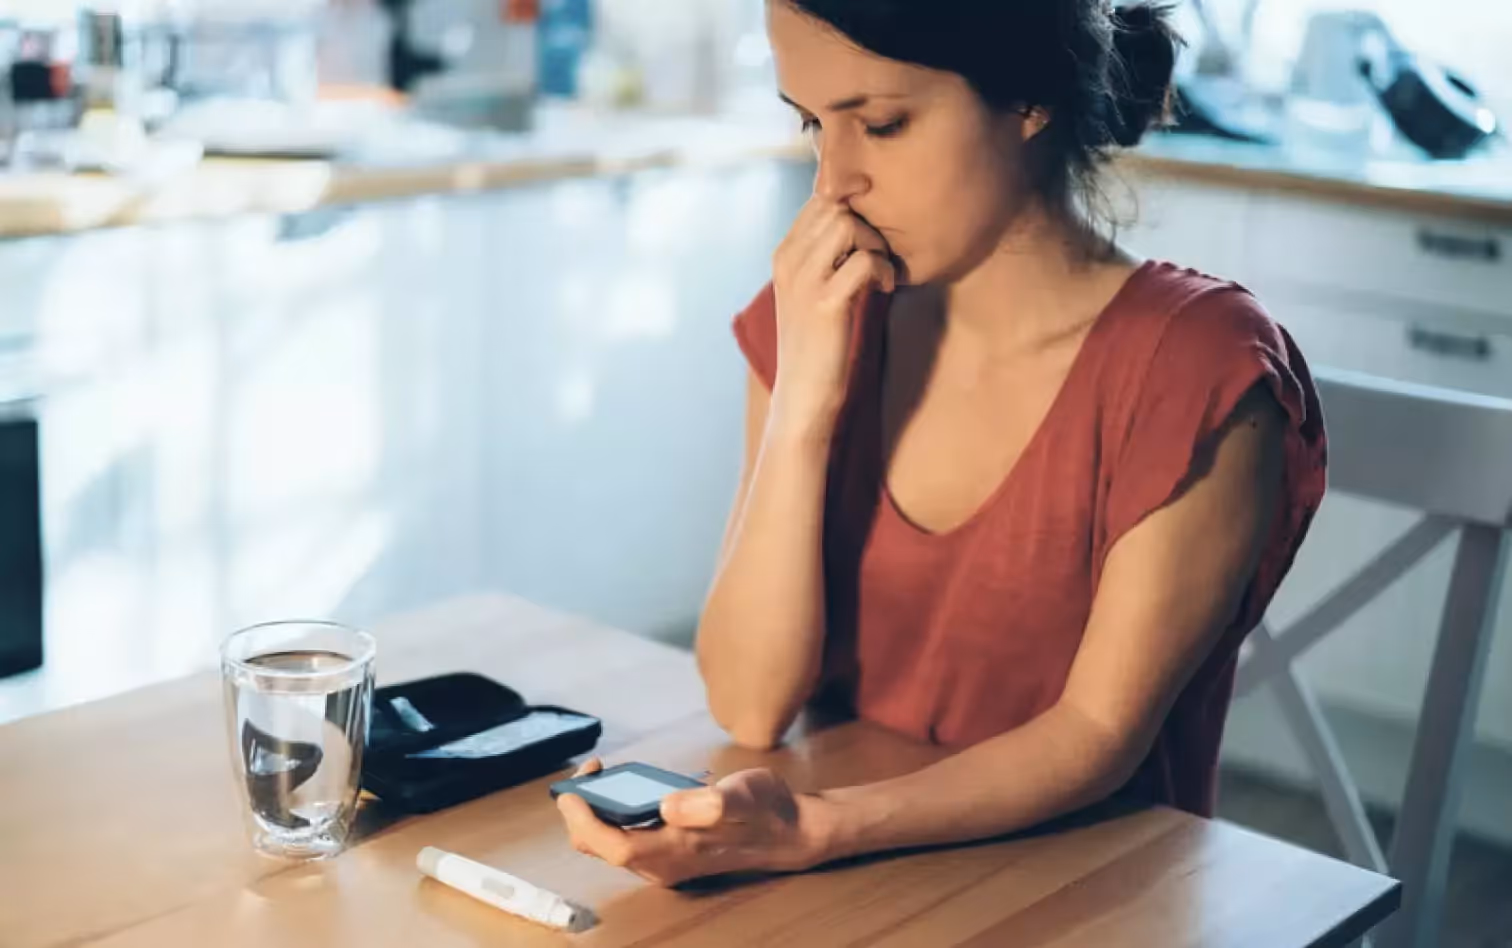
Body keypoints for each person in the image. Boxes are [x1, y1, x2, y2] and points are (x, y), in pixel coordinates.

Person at [556, 0, 1326, 887]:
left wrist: (816, 828)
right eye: (812, 122)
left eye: (882, 124)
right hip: (846, 884)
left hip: (1085, 892)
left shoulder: (1199, 366)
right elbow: (749, 702)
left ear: (1030, 97)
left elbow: (1097, 736)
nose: (832, 182)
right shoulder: (819, 318)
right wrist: (805, 392)